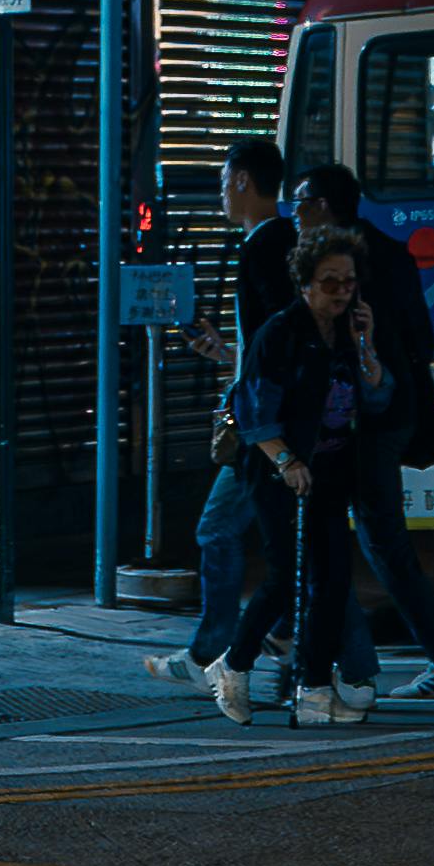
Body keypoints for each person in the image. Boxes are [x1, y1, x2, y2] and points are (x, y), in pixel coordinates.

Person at [291, 162, 434, 693]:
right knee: (367, 538)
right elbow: (424, 339)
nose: (296, 212)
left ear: (324, 206)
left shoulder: (333, 267)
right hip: (393, 414)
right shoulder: (393, 252)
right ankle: (359, 661)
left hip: (353, 420)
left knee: (369, 539)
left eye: (302, 201)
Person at [144, 139, 300, 704]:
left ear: (240, 179)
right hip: (269, 416)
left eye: (222, 179)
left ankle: (221, 649)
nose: (219, 192)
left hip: (264, 423)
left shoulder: (265, 247)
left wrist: (248, 377)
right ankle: (288, 643)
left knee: (226, 531)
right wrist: (229, 353)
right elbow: (273, 341)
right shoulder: (281, 242)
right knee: (294, 545)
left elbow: (279, 340)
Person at [231, 232, 403, 728]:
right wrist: (287, 462)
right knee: (287, 577)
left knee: (330, 582)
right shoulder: (281, 333)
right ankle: (235, 664)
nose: (341, 292)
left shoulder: (348, 333)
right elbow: (254, 412)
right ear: (305, 283)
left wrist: (366, 345)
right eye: (330, 282)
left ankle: (313, 687)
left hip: (330, 472)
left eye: (349, 282)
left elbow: (377, 399)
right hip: (280, 474)